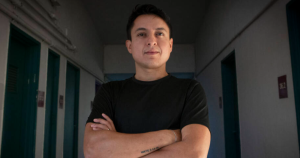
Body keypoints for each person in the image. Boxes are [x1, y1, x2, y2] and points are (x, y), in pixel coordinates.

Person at [84, 4, 211, 158]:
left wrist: (117, 150)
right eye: (142, 34)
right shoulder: (109, 92)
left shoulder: (190, 90)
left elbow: (194, 153)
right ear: (129, 46)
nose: (151, 41)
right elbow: (93, 150)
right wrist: (171, 136)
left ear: (170, 45)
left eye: (159, 33)